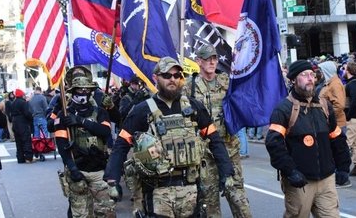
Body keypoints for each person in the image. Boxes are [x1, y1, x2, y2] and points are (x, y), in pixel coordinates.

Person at [104, 56, 234, 217]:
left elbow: (215, 140)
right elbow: (121, 146)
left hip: (191, 190)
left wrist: (226, 172)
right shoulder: (141, 110)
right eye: (167, 75)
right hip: (157, 192)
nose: (172, 79)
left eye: (177, 75)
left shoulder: (194, 107)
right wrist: (112, 179)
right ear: (155, 78)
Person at [265, 60, 351, 217]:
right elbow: (274, 144)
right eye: (304, 75)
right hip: (300, 183)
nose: (310, 78)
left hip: (326, 180)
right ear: (293, 80)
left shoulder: (325, 107)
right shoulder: (283, 109)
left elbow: (337, 137)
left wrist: (344, 166)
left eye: (312, 74)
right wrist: (290, 171)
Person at [185, 44, 252, 218]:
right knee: (209, 203)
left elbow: (244, 100)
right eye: (207, 58)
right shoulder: (189, 86)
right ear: (199, 61)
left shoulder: (227, 82)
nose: (212, 62)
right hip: (204, 154)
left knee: (238, 198)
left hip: (229, 149)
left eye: (214, 58)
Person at [51, 73, 116, 218]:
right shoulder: (64, 115)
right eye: (80, 90)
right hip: (77, 170)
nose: (84, 93)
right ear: (73, 91)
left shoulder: (100, 112)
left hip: (99, 171)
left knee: (106, 212)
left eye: (87, 90)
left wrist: (81, 121)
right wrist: (72, 168)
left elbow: (105, 131)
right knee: (81, 214)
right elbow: (61, 146)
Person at [318, 60, 350, 188]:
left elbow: (340, 104)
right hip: (330, 123)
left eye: (321, 70)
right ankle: (337, 175)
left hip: (336, 123)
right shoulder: (329, 83)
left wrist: (327, 115)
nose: (319, 73)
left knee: (339, 150)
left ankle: (342, 177)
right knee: (333, 150)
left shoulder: (335, 84)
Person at [11, 88, 34, 164]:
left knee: (18, 141)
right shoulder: (23, 103)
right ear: (22, 95)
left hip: (15, 123)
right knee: (26, 140)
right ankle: (28, 158)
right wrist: (31, 117)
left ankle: (20, 158)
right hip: (22, 122)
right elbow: (27, 113)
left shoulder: (13, 102)